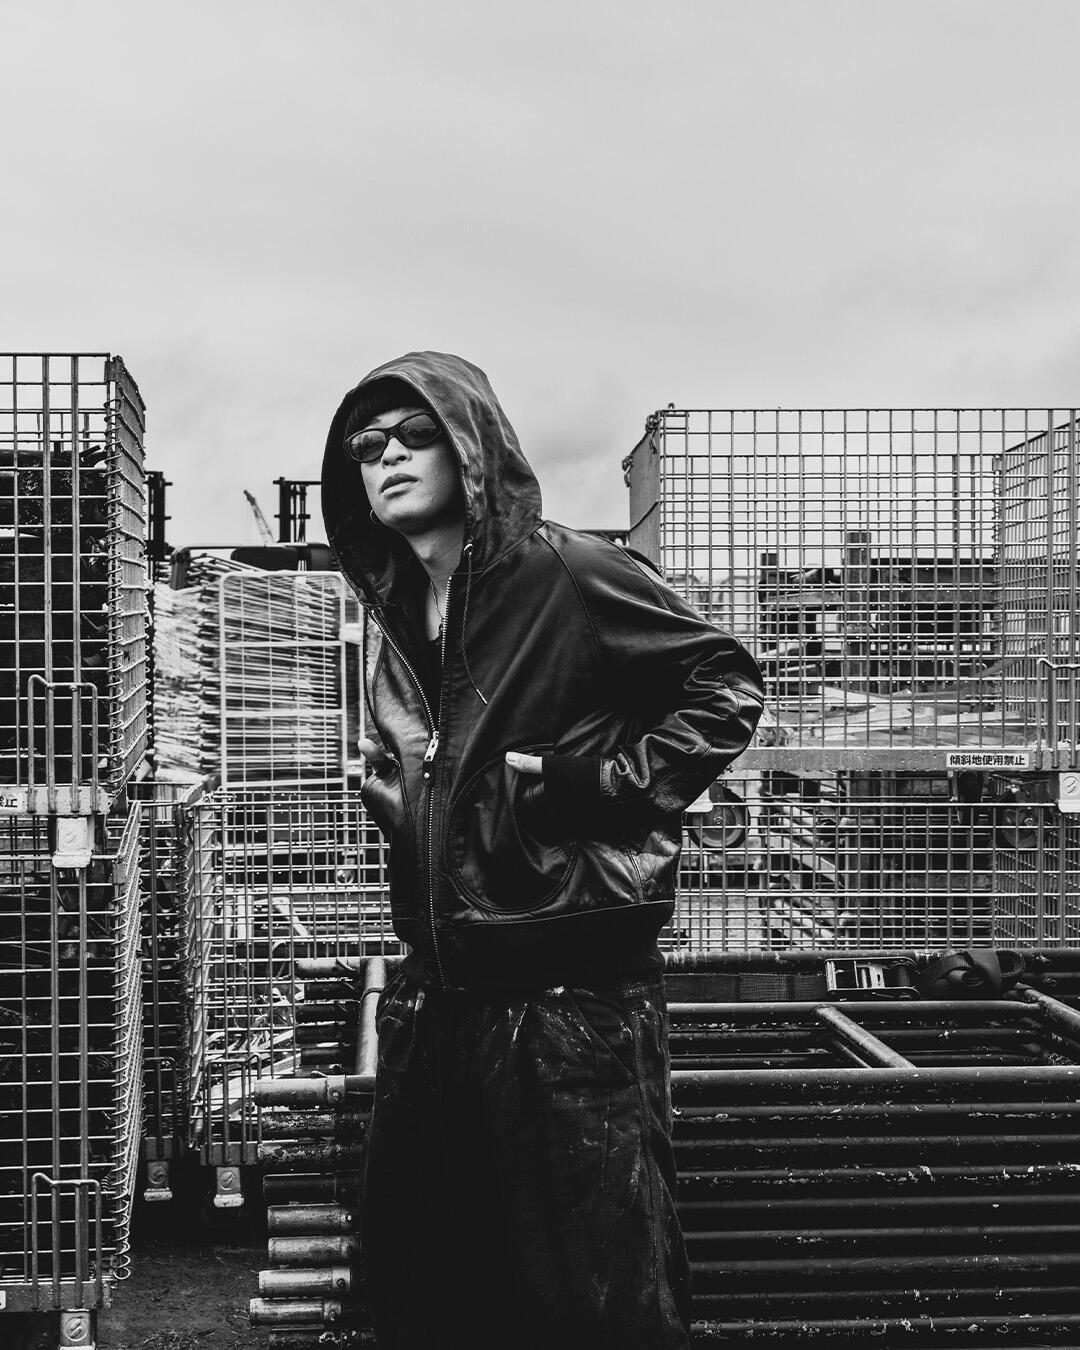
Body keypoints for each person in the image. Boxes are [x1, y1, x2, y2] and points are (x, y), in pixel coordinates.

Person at [320, 351, 764, 1350]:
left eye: (414, 435)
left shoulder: (568, 573)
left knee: (594, 1298)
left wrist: (593, 786)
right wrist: (412, 816)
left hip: (570, 1001)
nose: (387, 457)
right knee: (430, 1286)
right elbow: (462, 772)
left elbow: (727, 685)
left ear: (471, 447)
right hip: (443, 989)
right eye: (366, 446)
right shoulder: (400, 608)